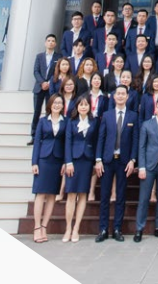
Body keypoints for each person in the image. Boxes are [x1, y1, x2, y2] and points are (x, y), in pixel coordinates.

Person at [94, 84, 139, 243]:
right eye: (118, 93)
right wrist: (98, 159)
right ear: (114, 97)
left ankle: (117, 229)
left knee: (121, 196)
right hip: (107, 160)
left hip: (124, 161)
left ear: (127, 97)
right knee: (105, 196)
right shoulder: (107, 115)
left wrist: (133, 160)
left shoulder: (133, 116)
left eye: (123, 94)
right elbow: (101, 138)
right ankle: (103, 229)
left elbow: (135, 140)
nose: (120, 96)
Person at [134, 96, 158, 242]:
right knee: (144, 198)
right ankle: (139, 229)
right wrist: (141, 167)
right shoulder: (146, 124)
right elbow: (142, 147)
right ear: (155, 109)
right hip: (149, 166)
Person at [31, 93, 67, 242]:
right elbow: (37, 142)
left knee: (52, 195)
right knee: (40, 194)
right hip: (43, 160)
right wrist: (34, 162)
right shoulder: (42, 121)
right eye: (55, 102)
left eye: (60, 103)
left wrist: (65, 162)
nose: (57, 105)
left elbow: (66, 143)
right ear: (50, 105)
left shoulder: (66, 122)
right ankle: (36, 227)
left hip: (57, 161)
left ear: (63, 105)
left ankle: (44, 227)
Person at [63, 94, 99, 242]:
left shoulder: (94, 121)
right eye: (81, 105)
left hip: (87, 160)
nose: (83, 107)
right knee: (71, 195)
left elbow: (96, 142)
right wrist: (68, 162)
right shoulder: (71, 122)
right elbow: (67, 142)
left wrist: (96, 161)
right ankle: (68, 228)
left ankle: (76, 228)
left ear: (90, 106)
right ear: (77, 107)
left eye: (86, 104)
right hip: (73, 161)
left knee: (83, 194)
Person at [31, 34, 58, 143]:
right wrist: (42, 82)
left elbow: (57, 72)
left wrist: (49, 83)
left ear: (55, 44)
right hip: (39, 87)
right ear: (45, 43)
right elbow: (36, 71)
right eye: (49, 40)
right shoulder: (39, 56)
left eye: (53, 41)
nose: (51, 42)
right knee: (36, 112)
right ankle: (34, 136)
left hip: (51, 88)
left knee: (49, 112)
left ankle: (47, 135)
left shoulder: (58, 57)